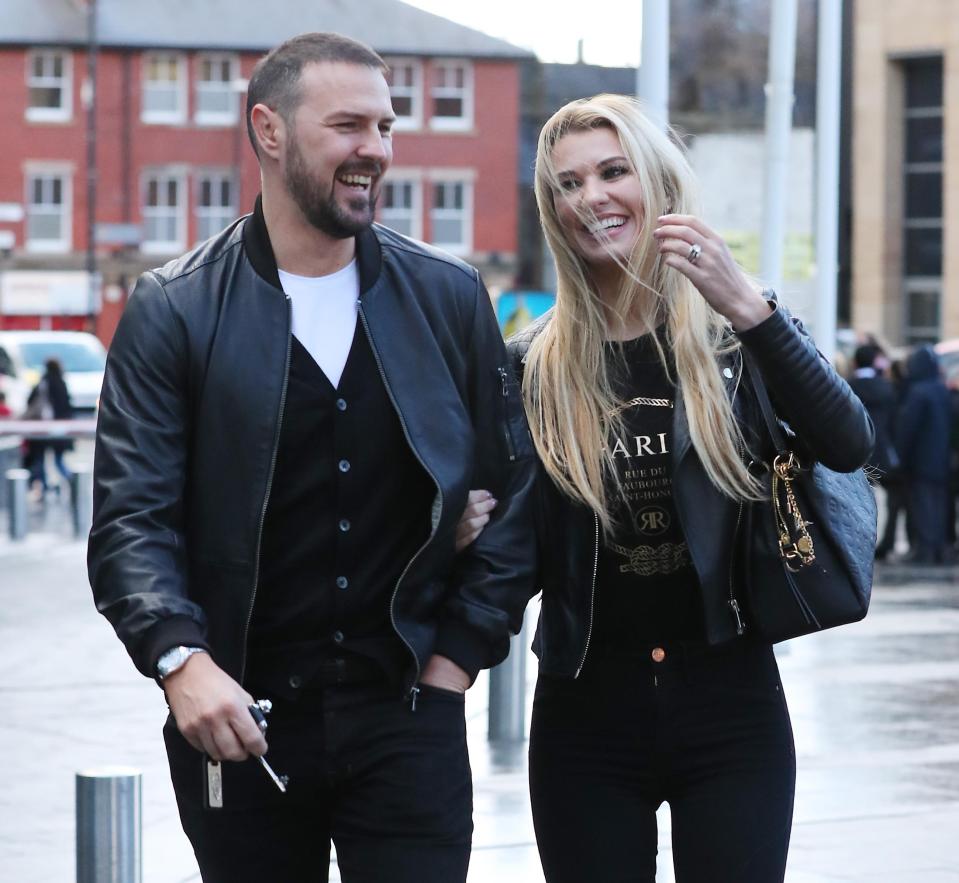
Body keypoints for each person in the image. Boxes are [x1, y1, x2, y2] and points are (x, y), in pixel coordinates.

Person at [87, 33, 535, 883]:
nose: (375, 148)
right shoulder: (174, 310)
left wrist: (455, 663)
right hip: (237, 717)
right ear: (269, 130)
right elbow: (130, 520)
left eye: (386, 126)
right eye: (347, 125)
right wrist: (182, 661)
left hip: (408, 713)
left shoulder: (447, 297)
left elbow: (513, 495)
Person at [464, 94, 873, 882]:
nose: (591, 197)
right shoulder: (532, 366)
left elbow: (847, 442)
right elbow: (511, 548)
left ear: (658, 182)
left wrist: (750, 309)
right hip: (584, 709)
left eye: (612, 172)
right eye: (568, 184)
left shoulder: (732, 337)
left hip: (730, 700)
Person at [896, 344, 952, 564]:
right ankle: (937, 548)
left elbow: (907, 428)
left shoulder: (918, 392)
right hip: (942, 457)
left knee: (923, 504)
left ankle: (925, 550)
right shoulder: (941, 390)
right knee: (938, 504)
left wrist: (900, 456)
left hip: (921, 459)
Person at [848, 343, 902, 559]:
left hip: (857, 452)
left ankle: (860, 544)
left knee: (858, 501)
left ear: (855, 362)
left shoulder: (848, 385)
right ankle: (886, 542)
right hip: (883, 451)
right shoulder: (886, 387)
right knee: (892, 499)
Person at [23, 357, 74, 497]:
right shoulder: (61, 383)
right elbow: (67, 407)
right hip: (60, 428)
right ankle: (73, 482)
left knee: (40, 459)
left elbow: (30, 401)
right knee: (58, 460)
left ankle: (45, 486)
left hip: (42, 426)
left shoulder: (43, 382)